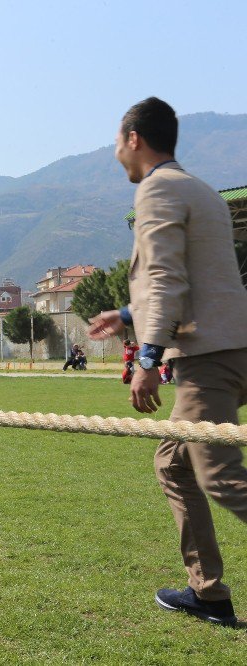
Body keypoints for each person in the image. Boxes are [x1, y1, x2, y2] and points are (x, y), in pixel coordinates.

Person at [88, 96, 247, 629]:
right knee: (172, 461)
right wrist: (128, 313)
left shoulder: (156, 188)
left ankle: (209, 592)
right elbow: (196, 281)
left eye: (116, 141)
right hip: (236, 348)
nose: (116, 152)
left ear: (133, 138)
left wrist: (148, 358)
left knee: (222, 477)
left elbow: (166, 280)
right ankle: (208, 592)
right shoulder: (201, 191)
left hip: (209, 360)